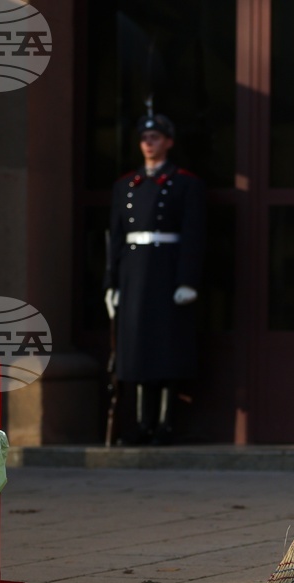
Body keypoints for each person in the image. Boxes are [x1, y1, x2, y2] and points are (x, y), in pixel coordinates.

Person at [104, 111, 205, 445]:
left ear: (168, 143)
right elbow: (115, 238)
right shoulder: (125, 185)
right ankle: (138, 425)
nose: (149, 143)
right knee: (135, 352)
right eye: (145, 138)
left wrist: (187, 280)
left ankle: (165, 424)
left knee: (166, 349)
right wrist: (111, 284)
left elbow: (193, 234)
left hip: (167, 271)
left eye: (156, 138)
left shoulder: (185, 182)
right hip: (133, 273)